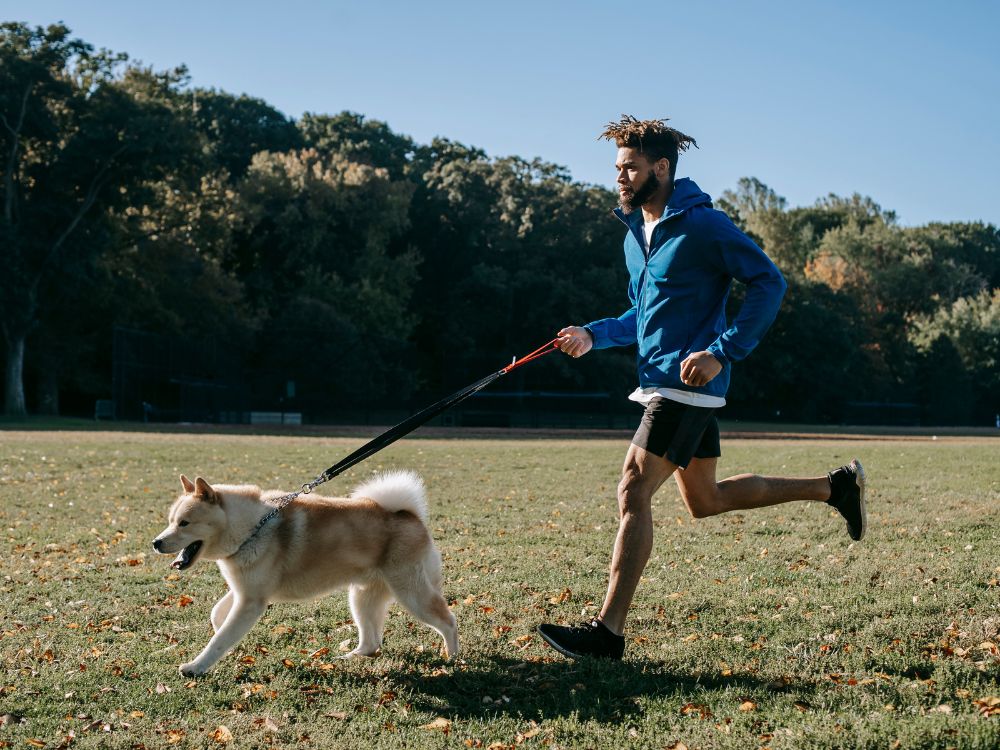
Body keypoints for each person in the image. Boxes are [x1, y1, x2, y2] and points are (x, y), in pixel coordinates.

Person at [537, 115, 866, 661]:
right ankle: (835, 488)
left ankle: (607, 633)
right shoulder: (636, 234)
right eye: (617, 168)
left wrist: (723, 351)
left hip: (684, 385)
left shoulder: (703, 226)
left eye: (631, 168)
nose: (620, 177)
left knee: (633, 490)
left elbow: (769, 280)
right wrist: (592, 335)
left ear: (661, 168)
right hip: (663, 380)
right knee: (705, 500)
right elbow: (642, 316)